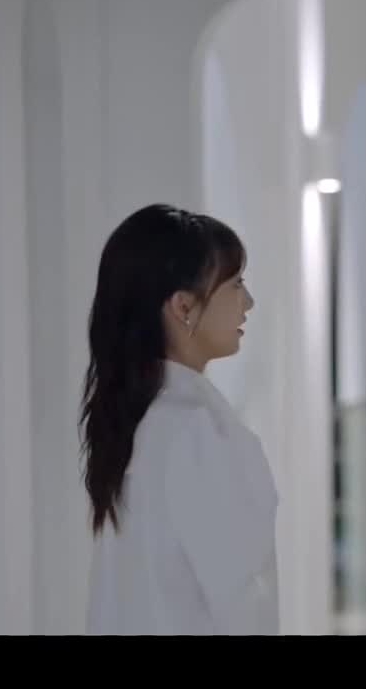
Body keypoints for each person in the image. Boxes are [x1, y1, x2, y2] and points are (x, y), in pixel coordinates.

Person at [80, 203, 278, 635]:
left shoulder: (141, 424)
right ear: (184, 306)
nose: (247, 302)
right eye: (235, 284)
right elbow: (240, 602)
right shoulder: (193, 430)